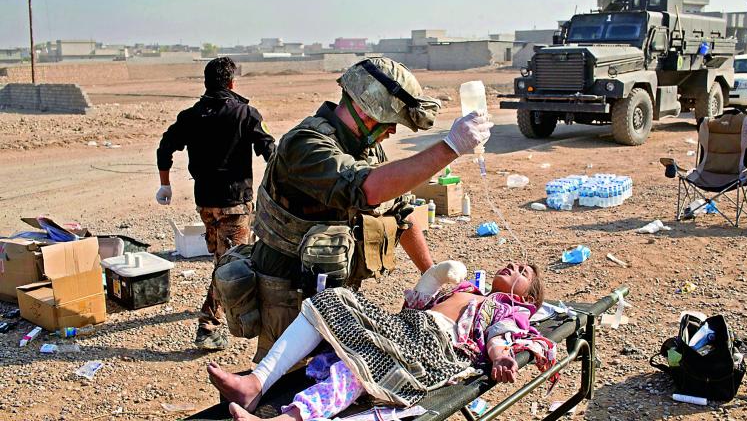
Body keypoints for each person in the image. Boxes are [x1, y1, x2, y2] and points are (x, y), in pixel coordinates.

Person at [248, 57, 493, 362]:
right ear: (366, 110)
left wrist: (431, 276)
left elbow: (399, 210)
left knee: (336, 378)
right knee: (285, 380)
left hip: (335, 289)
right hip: (289, 293)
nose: (392, 131)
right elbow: (367, 189)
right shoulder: (306, 145)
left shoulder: (365, 147)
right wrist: (450, 147)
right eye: (389, 122)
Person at [208, 262, 556, 421]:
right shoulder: (470, 290)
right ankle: (255, 382)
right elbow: (415, 304)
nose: (514, 266)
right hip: (405, 327)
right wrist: (434, 278)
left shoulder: (507, 308)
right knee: (331, 300)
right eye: (516, 264)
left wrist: (500, 356)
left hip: (434, 349)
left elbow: (500, 335)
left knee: (360, 367)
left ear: (527, 299)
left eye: (524, 273)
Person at [156, 56, 276, 350]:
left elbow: (165, 147)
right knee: (229, 264)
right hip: (234, 204)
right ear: (232, 83)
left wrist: (165, 184)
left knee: (222, 258)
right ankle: (208, 326)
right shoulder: (245, 113)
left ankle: (223, 301)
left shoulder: (190, 116)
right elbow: (269, 151)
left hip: (206, 203)